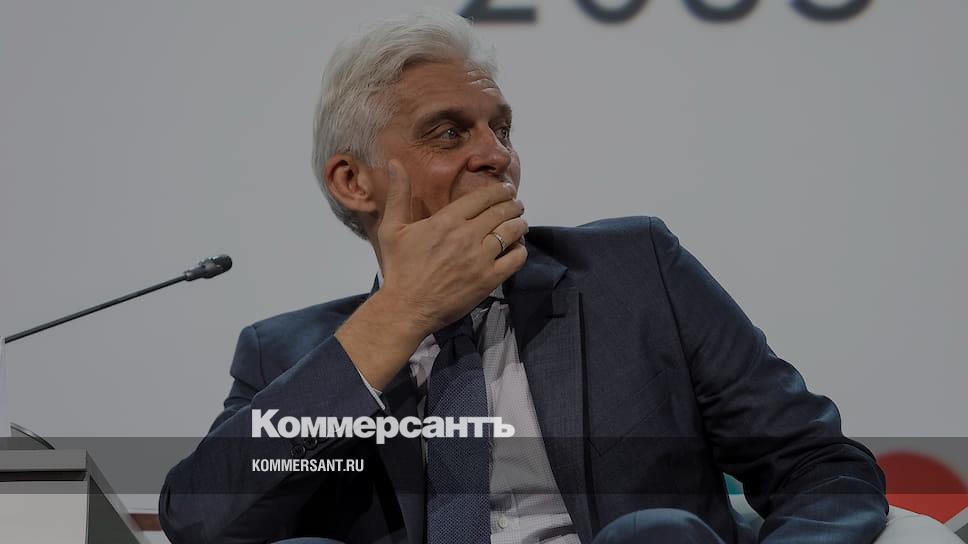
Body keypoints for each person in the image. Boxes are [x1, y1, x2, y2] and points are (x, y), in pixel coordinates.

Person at [159, 10, 887, 544]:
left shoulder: (634, 274)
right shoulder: (284, 355)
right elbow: (203, 522)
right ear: (354, 181)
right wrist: (400, 317)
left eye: (500, 128)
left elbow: (819, 466)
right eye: (450, 132)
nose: (496, 155)